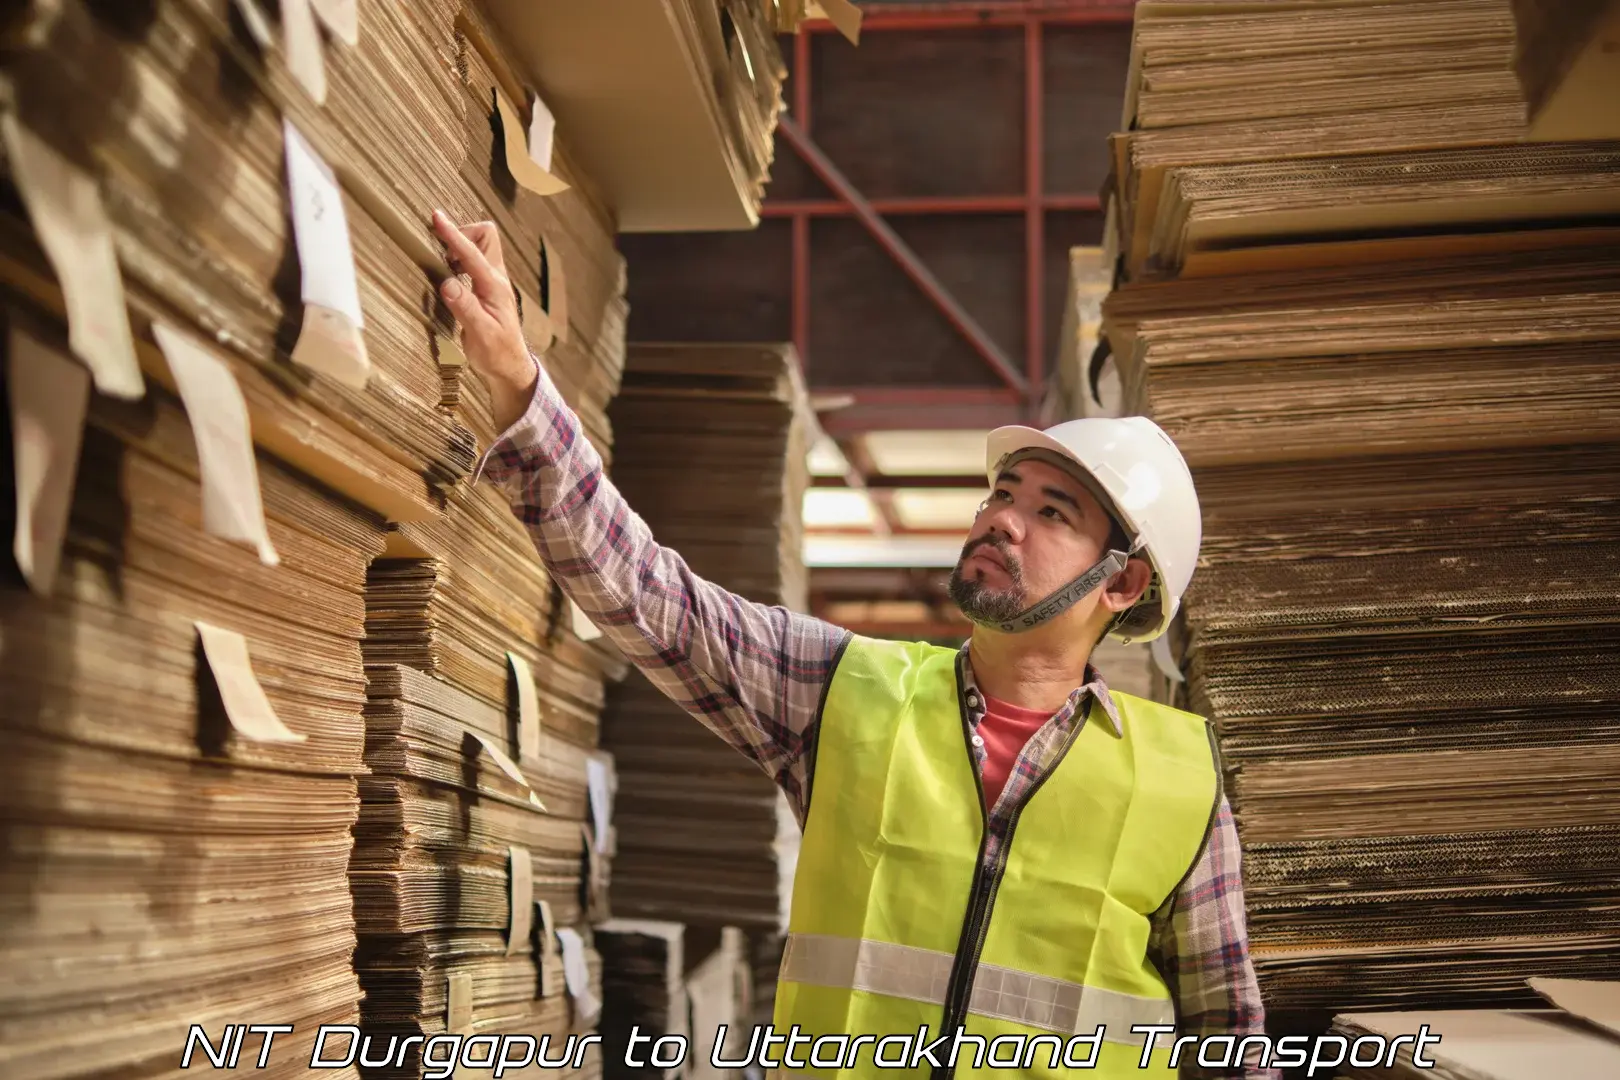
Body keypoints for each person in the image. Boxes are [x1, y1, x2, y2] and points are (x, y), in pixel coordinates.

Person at [431, 211, 1279, 1080]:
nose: (1001, 520)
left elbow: (1231, 1043)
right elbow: (652, 596)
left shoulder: (1179, 781)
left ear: (1123, 585)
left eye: (1050, 513)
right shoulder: (847, 689)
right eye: (1002, 493)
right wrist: (517, 384)